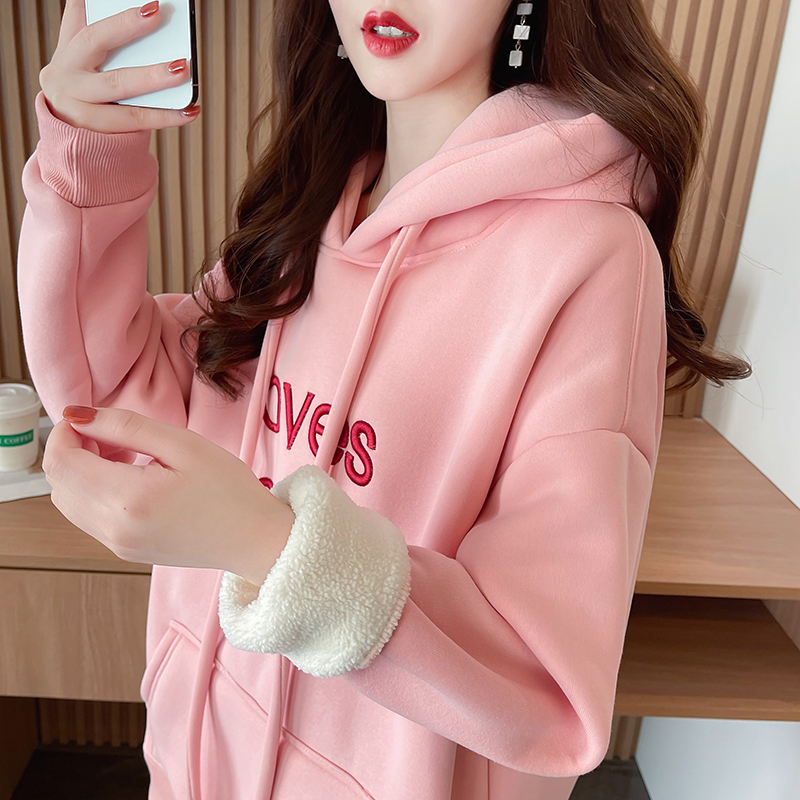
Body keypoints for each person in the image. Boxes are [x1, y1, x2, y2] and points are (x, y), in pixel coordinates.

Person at [17, 0, 752, 798]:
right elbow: (117, 401)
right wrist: (89, 158)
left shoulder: (591, 256)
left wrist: (265, 543)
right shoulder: (311, 207)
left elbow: (547, 686)